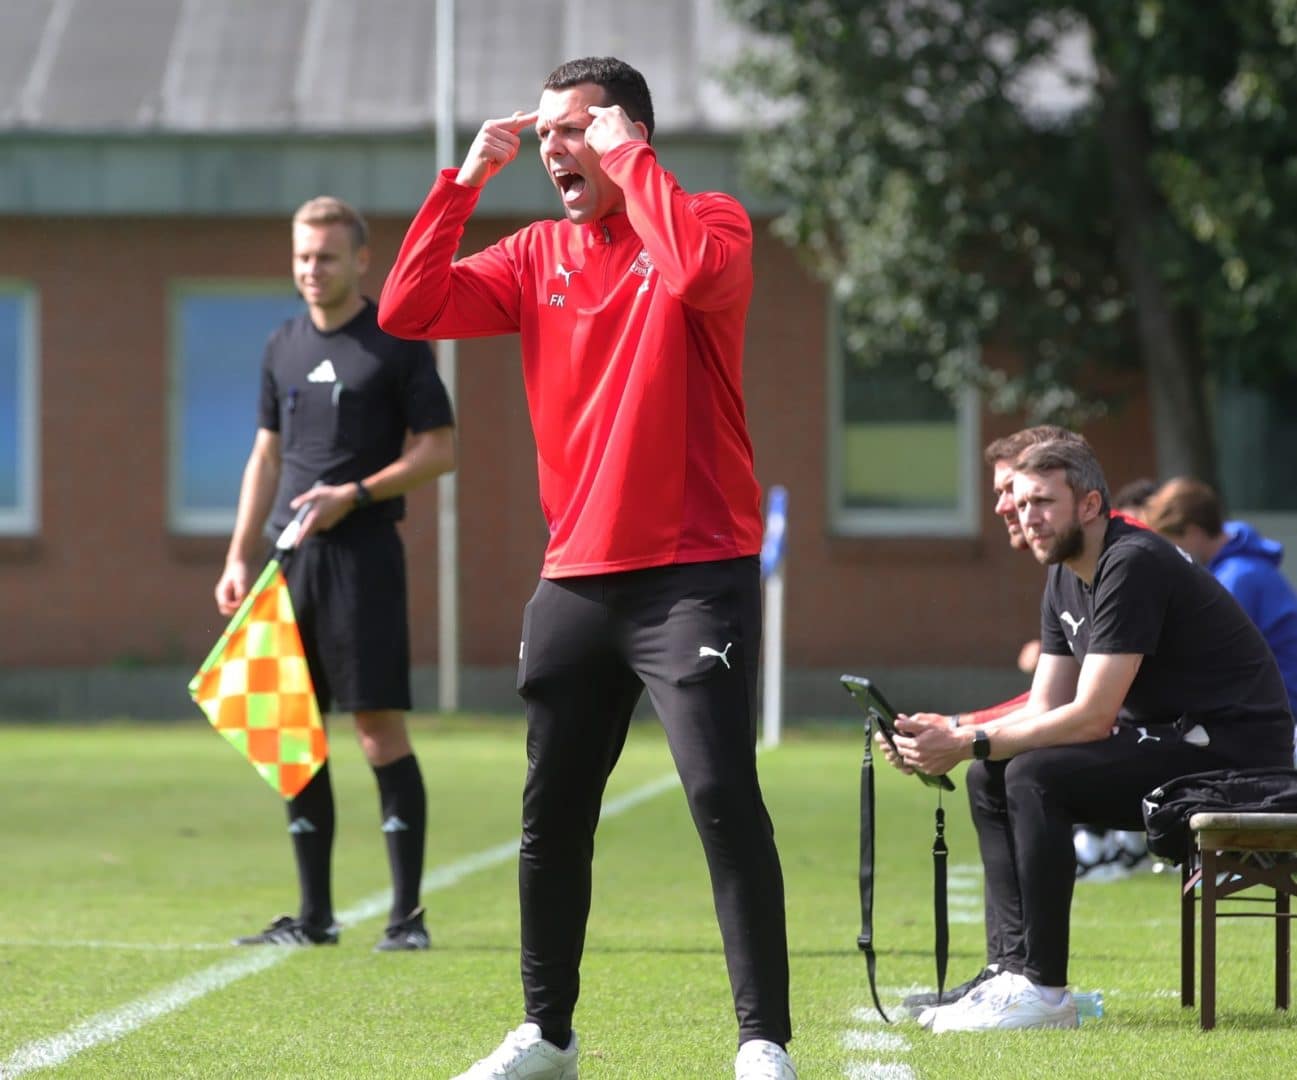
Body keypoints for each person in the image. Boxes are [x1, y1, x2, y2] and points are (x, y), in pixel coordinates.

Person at [377, 56, 795, 1080]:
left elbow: (695, 275)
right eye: (549, 133)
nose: (555, 148)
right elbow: (406, 309)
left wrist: (632, 160)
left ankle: (761, 1045)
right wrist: (464, 179)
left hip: (696, 570)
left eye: (577, 129)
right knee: (549, 812)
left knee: (719, 794)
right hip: (574, 575)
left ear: (627, 134)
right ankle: (548, 1036)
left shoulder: (710, 222)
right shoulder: (533, 253)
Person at [890, 437, 1293, 1032]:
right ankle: (1012, 972)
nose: (1027, 517)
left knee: (1033, 774)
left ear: (1089, 504)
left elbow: (1090, 717)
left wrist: (966, 739)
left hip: (1237, 757)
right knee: (991, 773)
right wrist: (953, 739)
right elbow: (1046, 705)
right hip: (1178, 742)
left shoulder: (1131, 563)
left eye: (1043, 502)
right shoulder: (1062, 575)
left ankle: (1046, 993)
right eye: (1021, 503)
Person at [214, 195, 456, 952]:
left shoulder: (397, 341)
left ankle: (406, 918)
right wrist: (236, 555)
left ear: (360, 261)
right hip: (290, 561)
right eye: (301, 257)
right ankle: (313, 916)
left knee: (377, 730)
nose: (311, 270)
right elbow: (265, 455)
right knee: (288, 730)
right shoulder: (281, 344)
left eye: (325, 256)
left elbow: (439, 450)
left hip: (364, 558)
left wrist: (355, 494)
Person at [1145, 476, 1297, 761]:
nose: (1172, 556)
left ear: (1192, 531)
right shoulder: (1238, 566)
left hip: (1283, 714)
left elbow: (1205, 660)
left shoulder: (1236, 578)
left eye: (1172, 544)